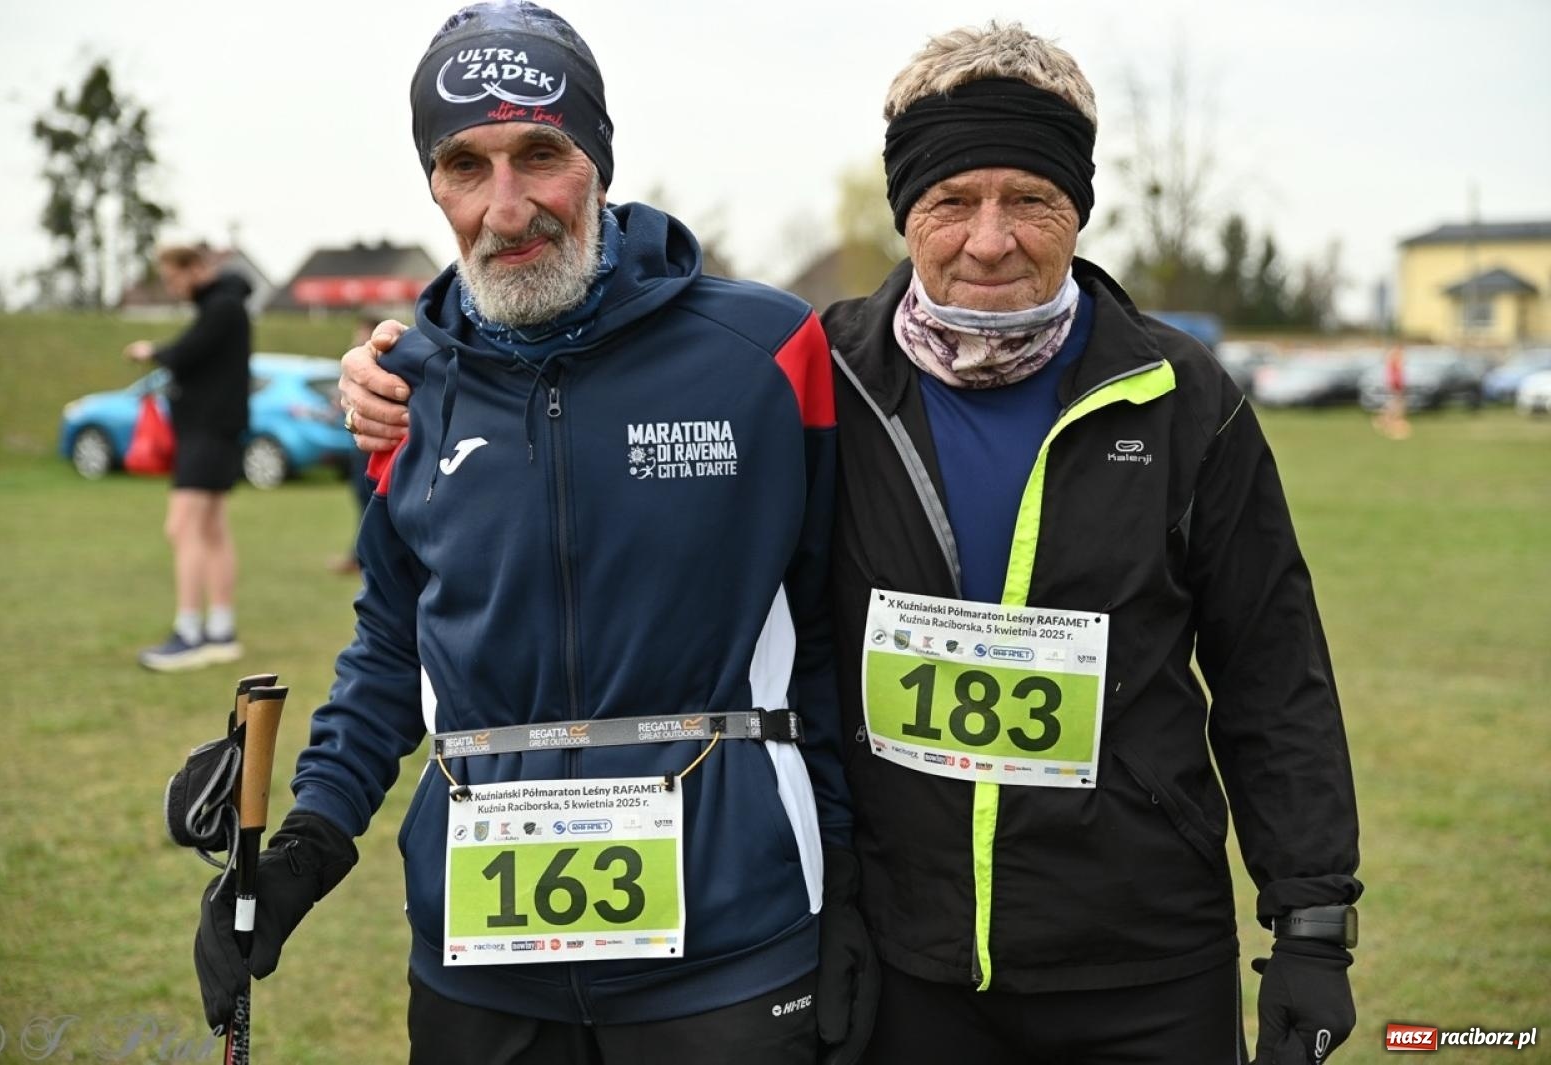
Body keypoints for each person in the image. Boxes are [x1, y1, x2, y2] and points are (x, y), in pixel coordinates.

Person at [340, 20, 1362, 1065]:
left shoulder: (1182, 398)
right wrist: (404, 363)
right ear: (906, 212)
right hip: (906, 951)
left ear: (1080, 210)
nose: (990, 239)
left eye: (1031, 201)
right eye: (952, 202)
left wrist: (1312, 920)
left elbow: (1271, 669)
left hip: (1139, 953)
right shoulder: (820, 373)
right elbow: (595, 384)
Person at [194, 5, 873, 1064]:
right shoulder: (408, 384)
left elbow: (831, 634)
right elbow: (391, 644)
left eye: (540, 156)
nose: (506, 209)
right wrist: (305, 850)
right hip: (479, 962)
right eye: (465, 165)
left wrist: (851, 890)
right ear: (432, 183)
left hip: (731, 954)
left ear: (597, 160)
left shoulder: (764, 349)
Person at [125, 244, 251, 671]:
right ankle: (220, 631)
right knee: (212, 530)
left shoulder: (223, 307)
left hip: (207, 435)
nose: (173, 286)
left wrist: (150, 352)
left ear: (196, 268)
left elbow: (185, 353)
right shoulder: (223, 305)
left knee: (182, 528)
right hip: (213, 434)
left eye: (174, 277)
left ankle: (190, 632)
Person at [327, 315, 384, 575]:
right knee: (362, 500)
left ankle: (362, 557)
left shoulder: (383, 363)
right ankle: (360, 555)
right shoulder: (358, 365)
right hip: (358, 443)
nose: (357, 336)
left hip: (374, 447)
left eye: (362, 331)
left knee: (370, 501)